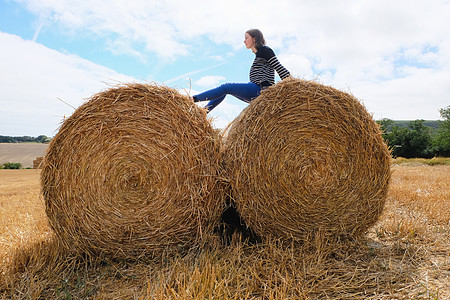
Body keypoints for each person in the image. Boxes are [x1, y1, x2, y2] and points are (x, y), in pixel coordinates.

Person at [192, 29, 291, 112]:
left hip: (260, 90)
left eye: (246, 38)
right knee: (224, 91)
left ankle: (193, 99)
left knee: (226, 87)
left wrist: (293, 85)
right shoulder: (258, 55)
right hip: (256, 91)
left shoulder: (265, 50)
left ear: (254, 38)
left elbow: (278, 67)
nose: (244, 41)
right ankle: (203, 113)